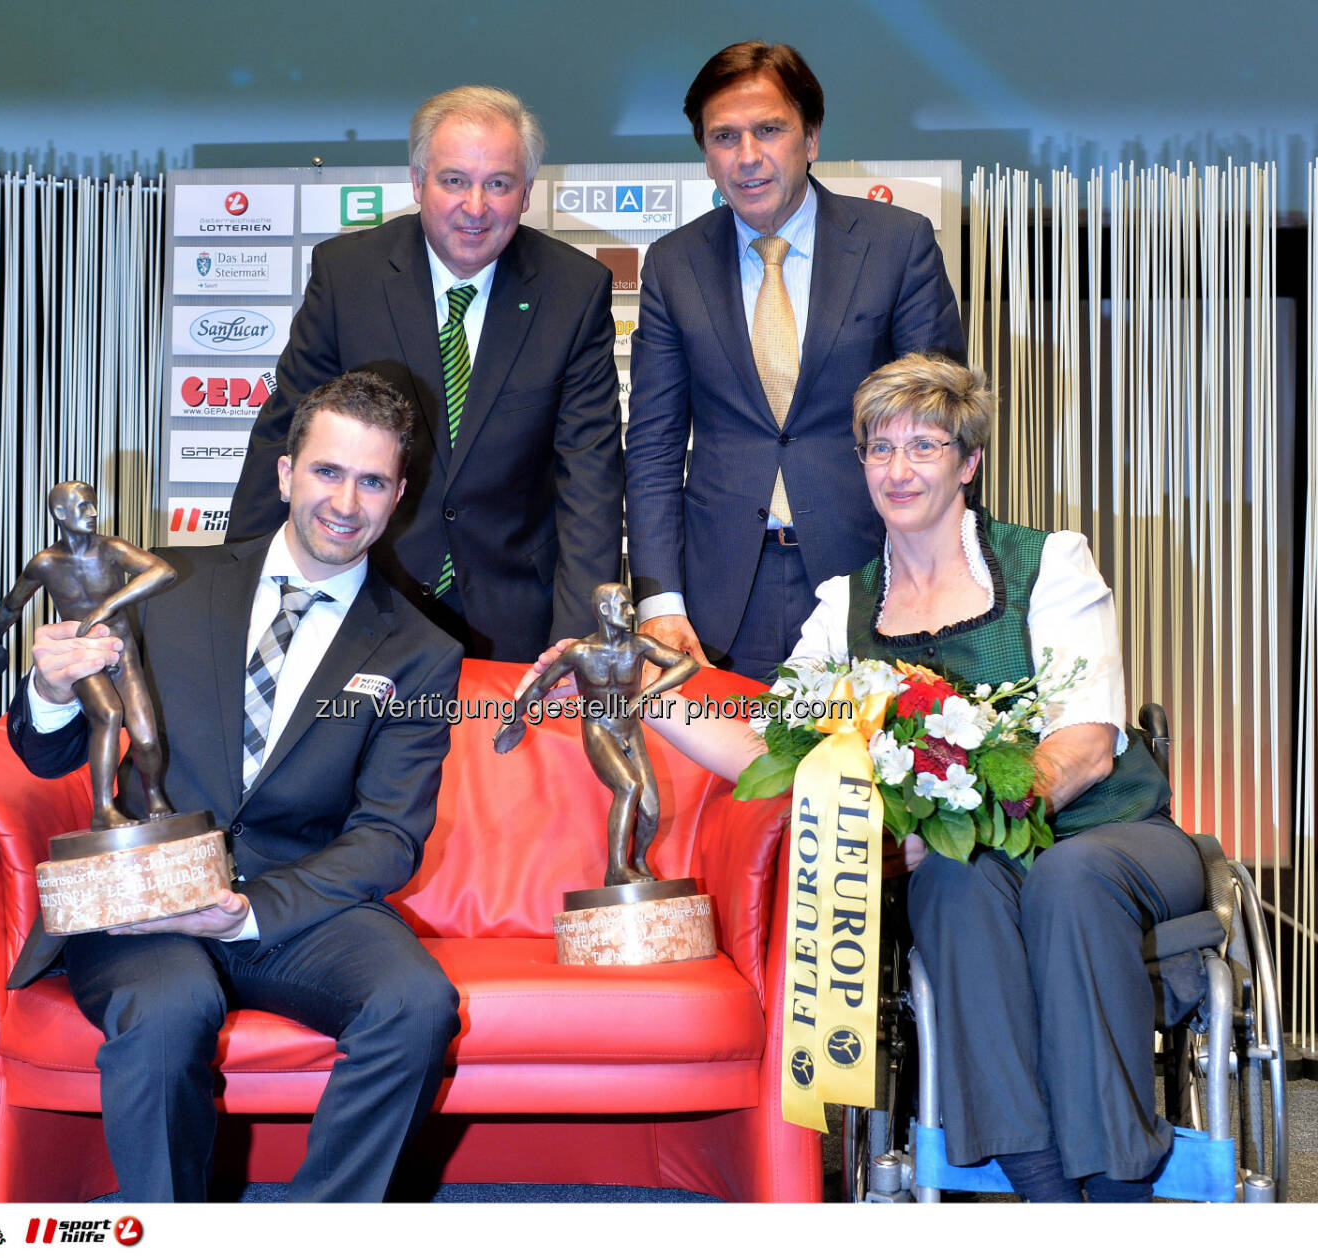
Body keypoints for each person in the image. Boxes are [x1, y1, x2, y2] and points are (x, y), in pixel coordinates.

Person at [531, 353, 1203, 1202]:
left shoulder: (1048, 564)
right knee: (954, 886)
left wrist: (960, 810)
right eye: (880, 449)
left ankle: (1115, 1191)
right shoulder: (843, 607)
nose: (899, 468)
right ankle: (1041, 1186)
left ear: (970, 462)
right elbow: (767, 751)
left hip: (1114, 837)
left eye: (925, 446)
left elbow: (1086, 747)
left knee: (1064, 878)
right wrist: (631, 687)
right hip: (969, 864)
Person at [5, 370, 464, 1202]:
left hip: (298, 905)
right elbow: (47, 757)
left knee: (415, 1002)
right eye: (328, 471)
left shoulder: (421, 651)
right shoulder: (165, 587)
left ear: (397, 495)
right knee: (169, 1007)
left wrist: (250, 911)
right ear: (286, 473)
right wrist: (48, 692)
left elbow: (389, 835)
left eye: (371, 481)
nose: (345, 503)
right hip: (145, 898)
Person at [225, 85, 623, 663]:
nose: (476, 206)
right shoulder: (348, 276)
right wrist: (237, 595)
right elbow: (286, 434)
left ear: (527, 193)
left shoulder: (574, 291)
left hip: (516, 611)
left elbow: (589, 477)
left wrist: (577, 639)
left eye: (499, 184)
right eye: (454, 180)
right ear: (417, 183)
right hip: (362, 592)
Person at [624, 41, 966, 681]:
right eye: (724, 137)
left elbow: (941, 429)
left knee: (872, 776)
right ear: (705, 154)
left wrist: (942, 577)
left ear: (810, 138)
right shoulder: (673, 265)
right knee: (731, 780)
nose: (747, 157)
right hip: (722, 599)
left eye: (769, 130)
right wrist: (660, 601)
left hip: (875, 576)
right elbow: (653, 445)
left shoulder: (897, 246)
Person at [0, 481, 177, 829]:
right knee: (108, 714)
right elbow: (12, 605)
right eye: (82, 507)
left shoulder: (111, 549)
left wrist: (108, 605)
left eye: (93, 505)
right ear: (59, 514)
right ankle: (103, 810)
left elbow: (163, 571)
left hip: (122, 654)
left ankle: (155, 796)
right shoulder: (45, 564)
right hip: (85, 655)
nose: (92, 513)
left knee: (146, 738)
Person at [494, 582, 696, 886]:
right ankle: (615, 870)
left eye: (631, 605)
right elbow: (541, 685)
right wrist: (513, 717)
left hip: (630, 729)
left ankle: (637, 861)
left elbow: (687, 663)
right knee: (628, 785)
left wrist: (646, 693)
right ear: (604, 610)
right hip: (599, 728)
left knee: (652, 810)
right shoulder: (581, 652)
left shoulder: (639, 645)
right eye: (623, 605)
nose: (630, 612)